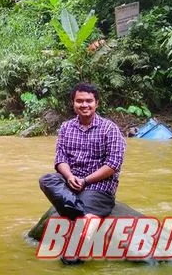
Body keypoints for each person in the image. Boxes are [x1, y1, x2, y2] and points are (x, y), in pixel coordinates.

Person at [39, 82, 126, 221]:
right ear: (73, 103)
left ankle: (81, 214)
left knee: (82, 202)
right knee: (47, 180)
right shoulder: (66, 127)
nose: (84, 105)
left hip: (98, 185)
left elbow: (113, 164)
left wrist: (85, 181)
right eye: (79, 101)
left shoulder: (110, 128)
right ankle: (86, 216)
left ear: (96, 103)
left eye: (89, 101)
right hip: (71, 181)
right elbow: (61, 158)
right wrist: (69, 177)